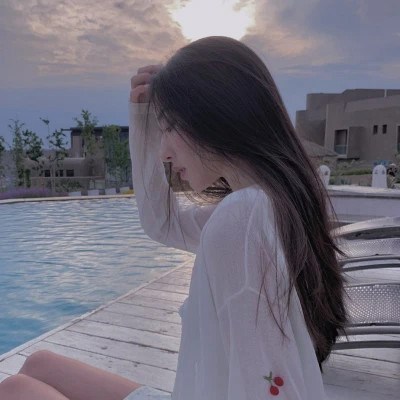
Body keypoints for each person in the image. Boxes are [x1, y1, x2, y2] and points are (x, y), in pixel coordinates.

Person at [0, 36, 346, 400]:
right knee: (39, 364)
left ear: (212, 117)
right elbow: (163, 223)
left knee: (16, 390)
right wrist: (142, 122)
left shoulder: (243, 219)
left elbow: (273, 387)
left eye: (167, 128)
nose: (163, 152)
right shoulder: (273, 202)